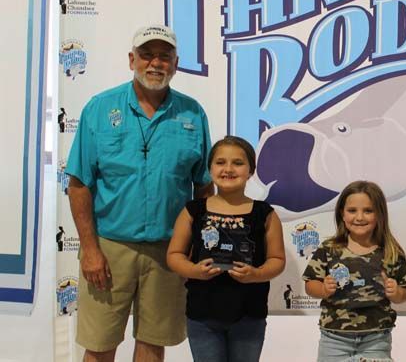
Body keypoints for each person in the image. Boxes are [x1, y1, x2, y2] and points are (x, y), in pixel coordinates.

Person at [66, 24, 212, 362]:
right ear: (132, 59)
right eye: (147, 55)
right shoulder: (99, 109)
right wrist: (89, 249)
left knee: (152, 343)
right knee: (100, 344)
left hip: (168, 250)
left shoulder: (193, 113)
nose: (155, 63)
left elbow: (203, 185)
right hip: (109, 248)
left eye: (165, 56)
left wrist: (195, 244)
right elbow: (78, 185)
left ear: (176, 64)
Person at [167, 136, 286, 362]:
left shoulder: (265, 213)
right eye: (220, 162)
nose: (228, 169)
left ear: (250, 170)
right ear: (210, 168)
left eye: (238, 163)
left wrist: (257, 274)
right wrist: (194, 271)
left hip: (249, 314)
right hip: (202, 315)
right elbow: (174, 256)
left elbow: (277, 259)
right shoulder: (193, 211)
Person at [303, 180, 406, 362]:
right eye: (352, 210)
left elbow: (405, 292)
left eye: (368, 211)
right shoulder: (329, 249)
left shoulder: (391, 251)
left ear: (379, 214)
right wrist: (323, 289)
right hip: (334, 338)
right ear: (342, 213)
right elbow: (310, 284)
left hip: (376, 339)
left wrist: (396, 292)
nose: (360, 217)